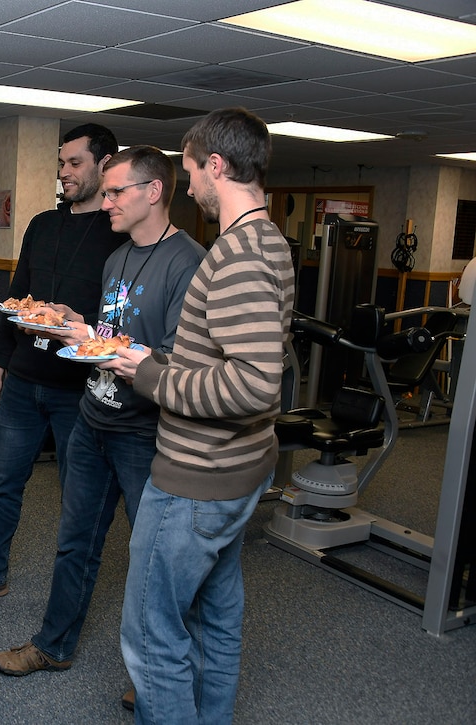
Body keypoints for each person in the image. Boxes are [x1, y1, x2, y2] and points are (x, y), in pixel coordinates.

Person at [110, 108, 295, 724]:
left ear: (216, 166)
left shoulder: (236, 254)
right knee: (216, 617)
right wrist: (158, 357)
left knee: (152, 636)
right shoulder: (271, 242)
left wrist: (151, 376)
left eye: (191, 171)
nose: (190, 186)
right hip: (241, 469)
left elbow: (253, 382)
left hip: (197, 478)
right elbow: (233, 351)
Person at [0, 146, 205, 675]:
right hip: (94, 418)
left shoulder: (191, 264)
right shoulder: (118, 257)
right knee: (75, 542)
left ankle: (157, 674)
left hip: (145, 433)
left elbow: (177, 358)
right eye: (104, 191)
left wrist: (98, 341)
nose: (105, 202)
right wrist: (77, 324)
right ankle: (53, 644)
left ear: (153, 192)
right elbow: (113, 335)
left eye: (115, 192)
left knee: (158, 560)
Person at [0, 124, 129, 606]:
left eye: (74, 163)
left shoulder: (119, 234)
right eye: (61, 164)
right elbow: (15, 300)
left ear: (105, 164)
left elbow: (122, 321)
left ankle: (67, 597)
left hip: (79, 390)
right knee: (2, 484)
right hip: (23, 380)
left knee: (79, 500)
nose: (64, 173)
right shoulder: (43, 224)